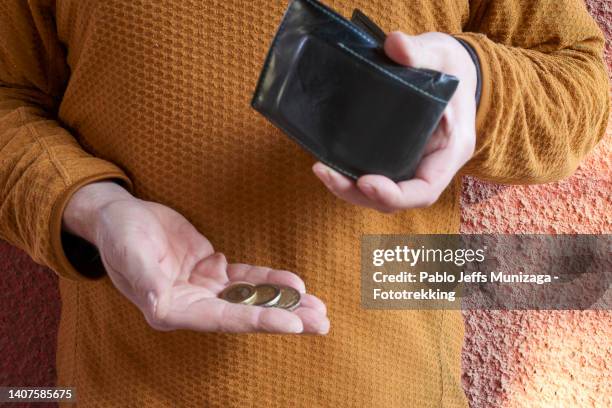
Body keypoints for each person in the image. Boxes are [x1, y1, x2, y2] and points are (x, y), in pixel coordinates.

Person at [0, 0, 608, 406]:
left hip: (392, 390)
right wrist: (92, 205)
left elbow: (581, 85)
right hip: (124, 391)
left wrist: (472, 83)